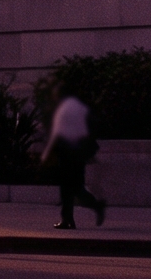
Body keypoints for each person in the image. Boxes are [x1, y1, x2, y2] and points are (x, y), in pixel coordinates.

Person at [41, 91, 106, 230]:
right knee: (74, 187)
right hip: (77, 153)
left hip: (68, 153)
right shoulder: (80, 108)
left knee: (69, 187)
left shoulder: (63, 110)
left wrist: (46, 154)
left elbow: (56, 133)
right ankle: (75, 215)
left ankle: (70, 218)